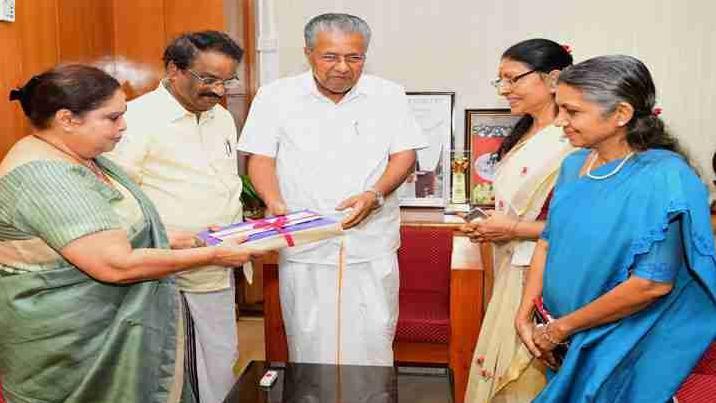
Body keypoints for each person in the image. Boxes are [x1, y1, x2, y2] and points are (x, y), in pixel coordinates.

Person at [0, 64, 259, 402]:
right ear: (67, 119)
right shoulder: (45, 178)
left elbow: (121, 227)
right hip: (72, 348)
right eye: (112, 118)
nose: (124, 126)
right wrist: (213, 255)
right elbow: (115, 264)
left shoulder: (81, 156)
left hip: (104, 333)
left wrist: (197, 238)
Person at [515, 55, 716, 402]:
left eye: (572, 112)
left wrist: (562, 328)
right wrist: (525, 315)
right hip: (562, 336)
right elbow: (548, 242)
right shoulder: (574, 164)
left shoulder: (665, 177)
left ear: (621, 114)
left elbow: (650, 285)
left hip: (623, 340)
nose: (560, 121)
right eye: (559, 108)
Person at [238, 13, 426, 366]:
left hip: (370, 242)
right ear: (308, 53)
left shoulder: (389, 94)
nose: (342, 67)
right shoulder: (275, 96)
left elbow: (405, 155)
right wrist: (275, 202)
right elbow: (260, 159)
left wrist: (375, 194)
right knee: (308, 338)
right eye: (330, 57)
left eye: (354, 57)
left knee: (374, 335)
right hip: (306, 242)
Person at [107, 31, 246, 402]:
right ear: (174, 69)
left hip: (219, 266)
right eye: (208, 79)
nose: (219, 91)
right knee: (185, 370)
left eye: (227, 80)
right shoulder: (134, 120)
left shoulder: (221, 118)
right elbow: (117, 201)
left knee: (219, 360)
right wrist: (182, 239)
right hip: (174, 272)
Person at [461, 39, 574, 402]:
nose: (504, 89)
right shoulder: (525, 133)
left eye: (513, 79)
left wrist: (510, 229)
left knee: (529, 375)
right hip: (510, 264)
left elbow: (579, 227)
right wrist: (493, 225)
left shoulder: (574, 140)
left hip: (546, 275)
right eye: (500, 81)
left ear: (553, 78)